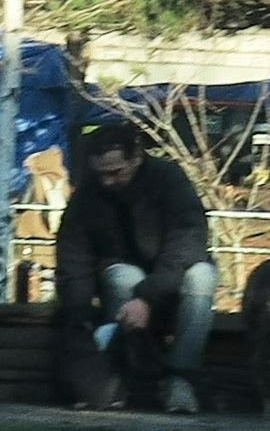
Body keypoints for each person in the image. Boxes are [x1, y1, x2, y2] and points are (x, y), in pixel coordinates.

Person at [53, 125, 218, 415]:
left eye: (116, 172)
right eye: (101, 173)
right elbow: (73, 255)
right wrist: (78, 312)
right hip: (123, 276)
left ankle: (180, 379)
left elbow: (187, 241)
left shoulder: (169, 179)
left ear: (137, 157)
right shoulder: (88, 195)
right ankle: (125, 377)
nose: (107, 181)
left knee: (202, 277)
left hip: (171, 276)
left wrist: (147, 298)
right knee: (123, 278)